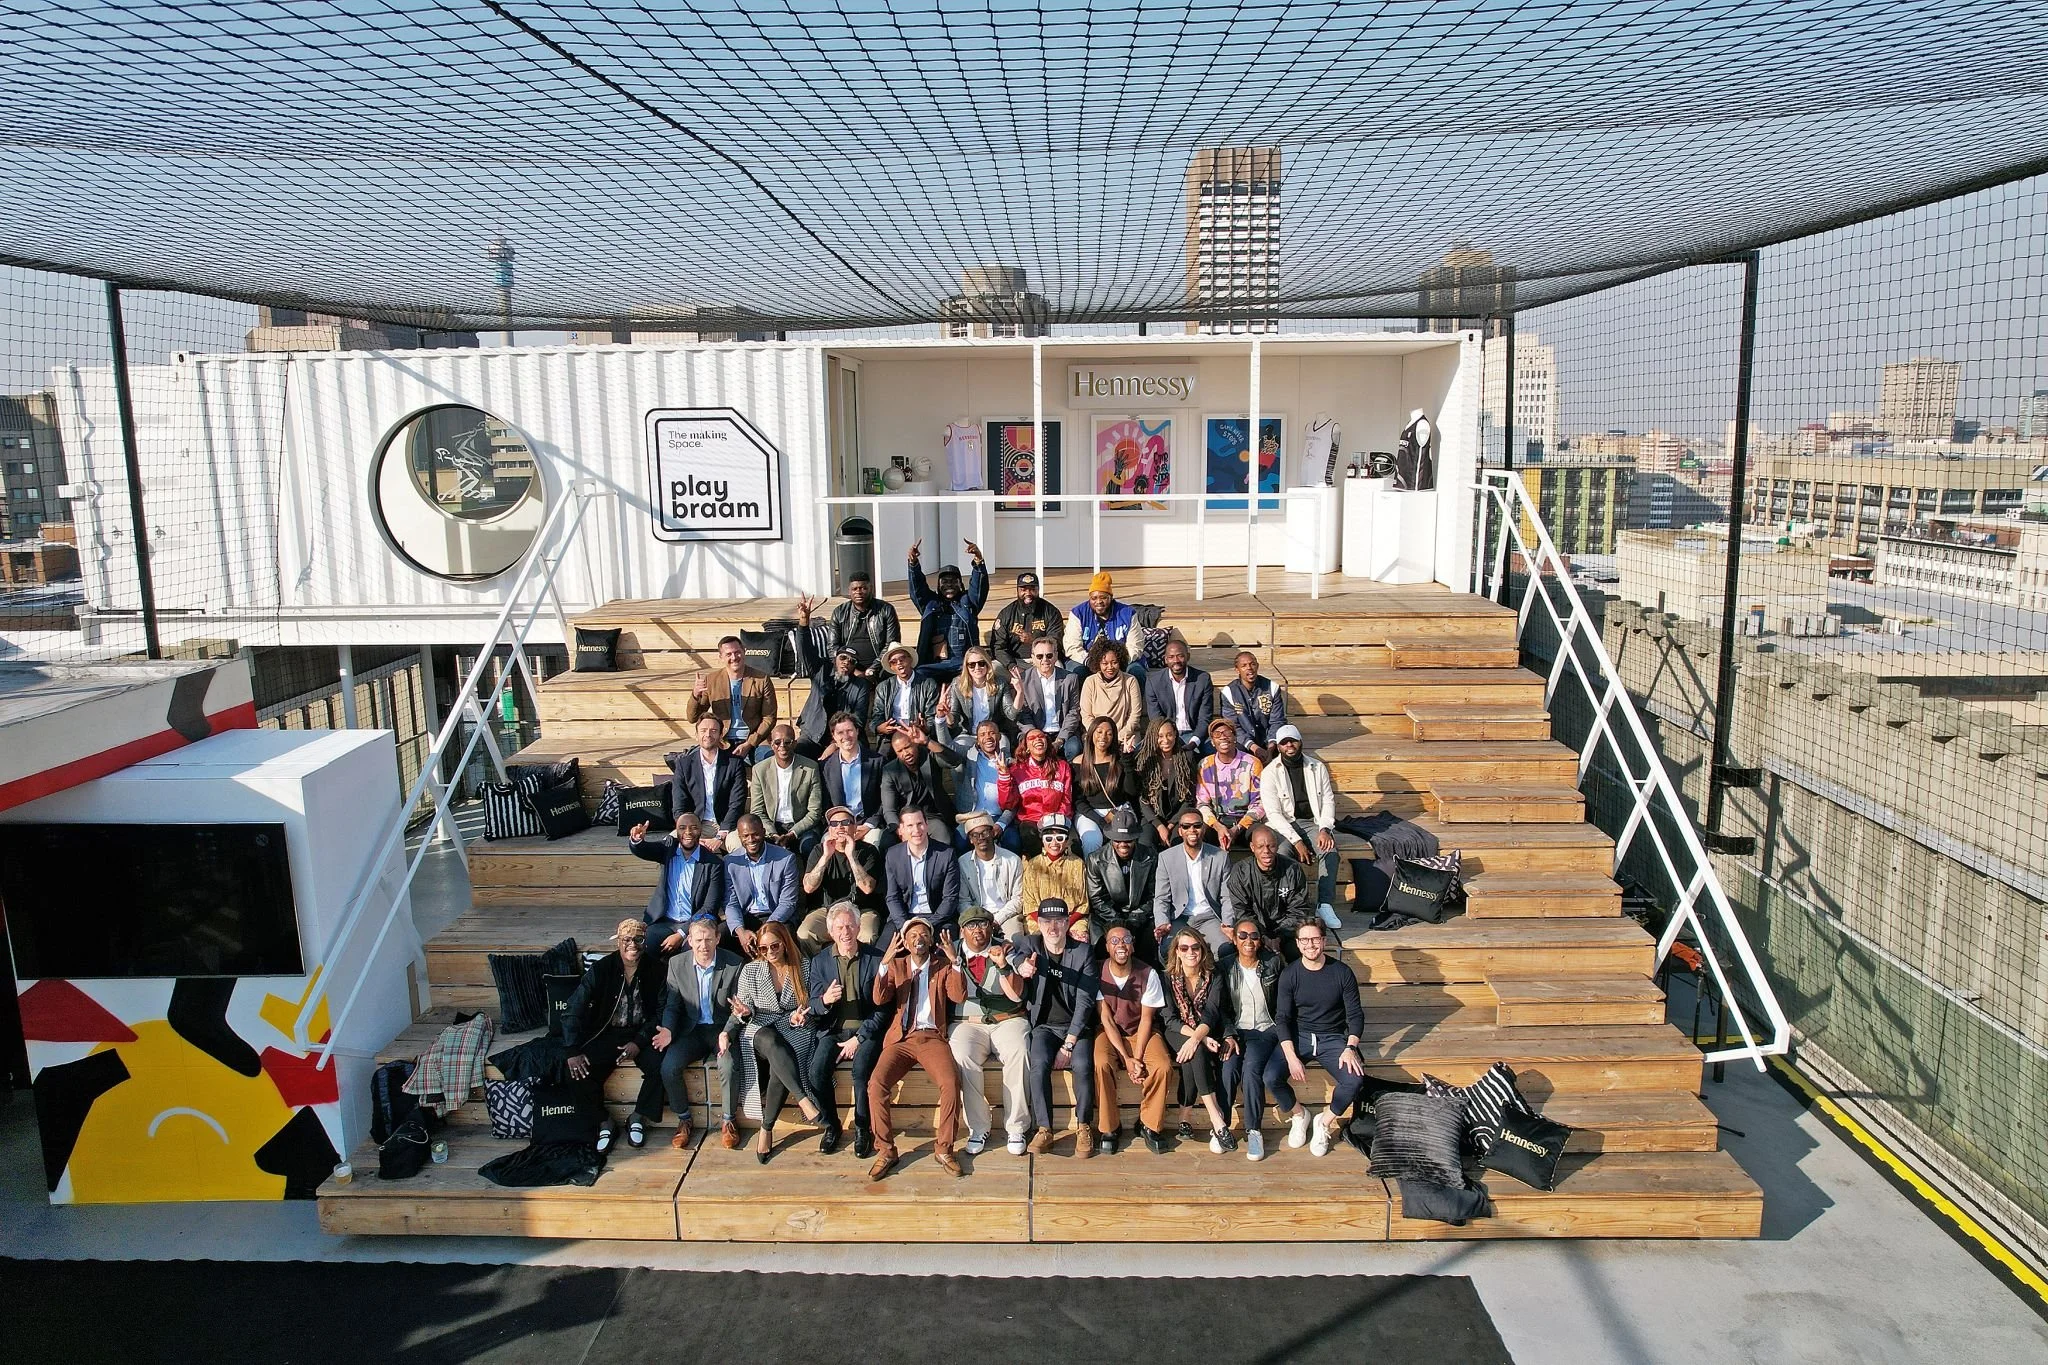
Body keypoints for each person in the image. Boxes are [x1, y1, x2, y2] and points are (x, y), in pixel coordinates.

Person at [866, 916, 969, 1180]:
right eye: (912, 936)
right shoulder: (897, 965)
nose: (918, 939)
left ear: (931, 940)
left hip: (932, 1038)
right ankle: (886, 1150)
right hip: (901, 1039)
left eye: (923, 934)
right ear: (905, 942)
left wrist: (955, 961)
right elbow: (879, 998)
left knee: (950, 1082)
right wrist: (884, 963)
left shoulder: (942, 965)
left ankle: (944, 1149)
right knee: (876, 1084)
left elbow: (958, 996)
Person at [725, 921, 834, 1161]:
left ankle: (766, 1128)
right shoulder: (751, 970)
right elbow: (744, 1008)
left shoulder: (802, 967)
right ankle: (804, 1099)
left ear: (785, 943)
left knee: (780, 1063)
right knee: (773, 1043)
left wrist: (799, 1014)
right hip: (759, 1026)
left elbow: (806, 1005)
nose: (770, 952)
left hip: (792, 1025)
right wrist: (744, 1012)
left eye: (774, 946)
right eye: (764, 949)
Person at [561, 919, 667, 1152]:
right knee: (576, 1071)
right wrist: (572, 1049)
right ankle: (604, 1121)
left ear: (645, 941)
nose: (633, 945)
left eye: (638, 939)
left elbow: (661, 1012)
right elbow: (573, 1009)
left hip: (642, 1033)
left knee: (663, 1064)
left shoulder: (657, 969)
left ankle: (638, 1118)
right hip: (606, 1033)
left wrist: (639, 1041)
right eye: (626, 940)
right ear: (618, 942)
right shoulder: (602, 969)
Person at [1010, 898, 1099, 1157]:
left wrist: (1069, 1044)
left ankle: (1083, 1127)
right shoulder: (1031, 943)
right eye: (1047, 922)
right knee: (1038, 1065)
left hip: (1076, 1027)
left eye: (1059, 921)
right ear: (1038, 924)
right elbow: (1011, 945)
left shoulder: (1083, 953)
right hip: (1045, 1026)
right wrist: (1020, 965)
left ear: (1067, 924)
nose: (1053, 928)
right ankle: (1044, 1128)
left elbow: (1084, 1003)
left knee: (1082, 1066)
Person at [1276, 920, 1368, 1157]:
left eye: (1315, 939)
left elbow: (1355, 1014)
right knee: (1269, 1075)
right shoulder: (1290, 974)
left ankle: (1323, 1122)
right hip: (1300, 1036)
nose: (1310, 944)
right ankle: (1299, 1114)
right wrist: (1291, 1056)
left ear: (1324, 941)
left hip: (1333, 1037)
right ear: (1297, 944)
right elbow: (1283, 1018)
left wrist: (1351, 1047)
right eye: (1305, 940)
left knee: (1354, 1080)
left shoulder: (1341, 973)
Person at [803, 901, 887, 1158]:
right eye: (840, 927)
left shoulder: (875, 958)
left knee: (861, 1073)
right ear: (831, 932)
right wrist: (825, 1001)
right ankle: (832, 1126)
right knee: (816, 1072)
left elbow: (884, 1008)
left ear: (859, 927)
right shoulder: (820, 962)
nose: (846, 932)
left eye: (850, 926)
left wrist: (860, 1038)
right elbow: (813, 1007)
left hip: (866, 1030)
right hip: (834, 1030)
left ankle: (863, 1128)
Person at [654, 915, 745, 1150]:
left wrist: (729, 1030)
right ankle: (684, 1119)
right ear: (690, 942)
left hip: (722, 1028)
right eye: (698, 940)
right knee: (668, 1066)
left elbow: (738, 1009)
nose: (703, 945)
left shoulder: (734, 963)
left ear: (717, 938)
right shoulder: (677, 964)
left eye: (707, 939)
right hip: (691, 1029)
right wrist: (668, 1029)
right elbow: (673, 1005)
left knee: (728, 1064)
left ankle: (728, 1121)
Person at [949, 906, 1032, 1157]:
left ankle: (1016, 1126)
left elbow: (1017, 994)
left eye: (983, 924)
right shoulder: (950, 951)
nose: (977, 930)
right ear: (962, 931)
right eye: (971, 925)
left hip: (1007, 1018)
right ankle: (979, 1126)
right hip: (968, 1021)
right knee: (962, 1053)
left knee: (1019, 1050)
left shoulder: (1007, 948)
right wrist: (952, 963)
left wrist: (1005, 965)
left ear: (992, 927)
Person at [1204, 918, 1289, 1161]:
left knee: (1251, 1069)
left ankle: (1254, 1129)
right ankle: (1222, 1126)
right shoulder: (1225, 966)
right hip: (1236, 1030)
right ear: (1234, 939)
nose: (1248, 941)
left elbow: (1281, 1006)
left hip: (1264, 1029)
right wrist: (1229, 1033)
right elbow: (1219, 1008)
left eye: (1253, 936)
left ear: (1260, 940)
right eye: (1242, 936)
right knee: (1228, 1067)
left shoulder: (1273, 963)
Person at [1093, 924, 1174, 1154]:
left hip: (1141, 1030)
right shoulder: (1097, 972)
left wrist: (1136, 1059)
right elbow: (1106, 1020)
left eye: (1126, 939)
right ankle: (1110, 1128)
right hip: (1110, 1033)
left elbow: (1147, 1019)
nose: (1121, 945)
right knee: (1100, 1063)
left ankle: (1149, 1125)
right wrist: (1126, 1059)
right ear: (1107, 947)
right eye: (1115, 941)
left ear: (1133, 945)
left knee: (1162, 1066)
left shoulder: (1148, 973)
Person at [1156, 925, 1235, 1152]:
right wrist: (1199, 1039)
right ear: (1177, 952)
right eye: (1185, 948)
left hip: (1205, 1029)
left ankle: (1185, 1116)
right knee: (1196, 1050)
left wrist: (1198, 1038)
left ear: (1202, 950)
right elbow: (1169, 1019)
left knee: (1192, 1055)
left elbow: (1211, 1012)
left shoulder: (1214, 975)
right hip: (1177, 1031)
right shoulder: (1167, 979)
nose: (1191, 952)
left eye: (1196, 947)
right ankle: (1216, 1117)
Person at [1260, 724, 1343, 930]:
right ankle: (1288, 905)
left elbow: (1329, 801)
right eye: (1284, 742)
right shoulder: (1270, 772)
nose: (1289, 745)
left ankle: (1324, 904)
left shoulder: (1317, 767)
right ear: (1278, 747)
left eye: (1293, 741)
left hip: (1312, 822)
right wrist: (1297, 841)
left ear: (1300, 742)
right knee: (1282, 854)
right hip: (1283, 826)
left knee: (1330, 850)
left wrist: (1325, 829)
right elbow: (1273, 814)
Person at [630, 810, 728, 955]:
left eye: (693, 827)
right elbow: (643, 850)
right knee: (644, 947)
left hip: (695, 924)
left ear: (701, 830)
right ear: (676, 830)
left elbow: (709, 907)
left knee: (694, 952)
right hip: (664, 921)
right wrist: (637, 840)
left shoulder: (713, 864)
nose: (688, 832)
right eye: (682, 827)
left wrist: (681, 933)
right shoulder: (668, 849)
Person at [795, 807, 884, 952]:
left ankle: (860, 971)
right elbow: (808, 887)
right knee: (805, 933)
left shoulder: (868, 851)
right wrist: (825, 858)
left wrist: (851, 856)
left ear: (855, 827)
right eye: (834, 824)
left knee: (867, 935)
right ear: (829, 829)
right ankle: (821, 970)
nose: (840, 827)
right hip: (828, 910)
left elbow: (867, 888)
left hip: (861, 910)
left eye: (845, 822)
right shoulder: (819, 851)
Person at [794, 595, 874, 756]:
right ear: (835, 659)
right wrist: (804, 622)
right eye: (843, 658)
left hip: (843, 735)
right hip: (813, 732)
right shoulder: (821, 670)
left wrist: (835, 744)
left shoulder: (860, 687)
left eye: (852, 661)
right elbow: (805, 650)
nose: (847, 662)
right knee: (798, 756)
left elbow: (858, 719)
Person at [906, 537, 989, 683]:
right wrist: (913, 564)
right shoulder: (930, 604)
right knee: (918, 675)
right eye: (944, 582)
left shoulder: (968, 602)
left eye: (953, 581)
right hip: (934, 664)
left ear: (960, 584)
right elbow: (917, 589)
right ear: (938, 585)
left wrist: (978, 561)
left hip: (963, 664)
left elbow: (979, 587)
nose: (948, 585)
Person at [684, 635, 777, 759]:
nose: (734, 657)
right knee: (692, 760)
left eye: (737, 652)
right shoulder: (711, 680)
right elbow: (693, 718)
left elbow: (769, 718)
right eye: (729, 654)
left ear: (744, 652)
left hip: (755, 740)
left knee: (770, 760)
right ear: (721, 657)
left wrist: (750, 743)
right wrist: (695, 695)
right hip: (722, 741)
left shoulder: (761, 679)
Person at [1085, 808, 1158, 965]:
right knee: (1101, 945)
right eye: (1117, 840)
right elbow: (1097, 899)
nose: (1123, 844)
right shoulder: (1095, 859)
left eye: (1128, 840)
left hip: (1140, 916)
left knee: (1149, 945)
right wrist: (1119, 924)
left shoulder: (1150, 856)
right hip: (1107, 917)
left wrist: (1135, 919)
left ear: (1136, 838)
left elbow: (1153, 895)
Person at [1153, 805, 1232, 952]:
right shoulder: (1166, 858)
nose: (1192, 830)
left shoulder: (1220, 857)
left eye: (1197, 825)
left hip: (1209, 917)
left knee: (1225, 948)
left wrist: (1228, 924)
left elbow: (1226, 896)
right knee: (1167, 949)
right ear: (1180, 831)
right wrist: (1162, 923)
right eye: (1186, 826)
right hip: (1180, 918)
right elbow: (1161, 898)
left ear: (1204, 828)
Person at [1226, 824, 1316, 952]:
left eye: (1271, 846)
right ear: (1252, 847)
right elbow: (1242, 912)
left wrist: (1280, 936)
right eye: (1260, 847)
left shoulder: (1292, 869)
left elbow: (1299, 909)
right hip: (1254, 933)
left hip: (1287, 931)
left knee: (1299, 950)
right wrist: (1262, 937)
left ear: (1277, 846)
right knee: (1230, 950)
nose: (1266, 851)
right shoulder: (1240, 872)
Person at [671, 714, 750, 853]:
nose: (708, 734)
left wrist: (720, 835)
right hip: (695, 825)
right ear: (696, 735)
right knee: (669, 846)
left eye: (713, 731)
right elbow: (679, 804)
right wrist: (690, 833)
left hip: (727, 826)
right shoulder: (684, 764)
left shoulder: (734, 763)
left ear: (720, 735)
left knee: (741, 848)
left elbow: (736, 803)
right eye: (703, 730)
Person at [722, 814, 800, 956]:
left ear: (764, 832)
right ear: (739, 837)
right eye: (745, 836)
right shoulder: (730, 862)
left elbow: (788, 902)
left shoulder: (785, 859)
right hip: (747, 916)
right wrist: (740, 931)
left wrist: (765, 930)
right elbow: (730, 902)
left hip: (777, 916)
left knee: (786, 938)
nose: (751, 840)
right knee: (718, 937)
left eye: (755, 834)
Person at [878, 724, 963, 848]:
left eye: (907, 747)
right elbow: (889, 809)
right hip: (905, 819)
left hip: (932, 816)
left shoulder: (929, 756)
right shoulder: (890, 771)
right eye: (900, 751)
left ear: (915, 743)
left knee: (944, 839)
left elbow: (955, 761)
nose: (905, 753)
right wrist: (900, 831)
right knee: (886, 843)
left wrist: (927, 741)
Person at [882, 807, 961, 939]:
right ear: (901, 829)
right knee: (882, 952)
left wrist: (927, 925)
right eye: (910, 826)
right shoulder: (892, 855)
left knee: (945, 953)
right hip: (904, 917)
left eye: (920, 824)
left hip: (937, 918)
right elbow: (892, 897)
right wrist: (905, 925)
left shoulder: (946, 854)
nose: (916, 830)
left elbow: (950, 898)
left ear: (926, 824)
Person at [748, 723, 825, 858]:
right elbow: (757, 810)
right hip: (771, 827)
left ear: (794, 744)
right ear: (772, 745)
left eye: (787, 742)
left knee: (810, 846)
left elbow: (814, 812)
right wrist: (773, 834)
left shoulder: (810, 768)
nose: (782, 746)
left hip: (802, 826)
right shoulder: (760, 770)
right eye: (777, 742)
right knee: (757, 847)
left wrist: (792, 833)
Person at [1073, 716, 1142, 854]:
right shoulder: (1078, 762)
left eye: (1109, 733)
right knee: (1091, 839)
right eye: (1099, 732)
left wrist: (1127, 760)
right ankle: (1094, 874)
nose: (1103, 737)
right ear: (1091, 733)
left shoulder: (1119, 760)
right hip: (1090, 813)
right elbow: (1078, 801)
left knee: (1123, 837)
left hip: (1119, 809)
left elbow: (1132, 792)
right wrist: (1100, 821)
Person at [1002, 726, 1076, 856]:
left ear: (1047, 742)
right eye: (1032, 738)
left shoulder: (1062, 766)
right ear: (1026, 747)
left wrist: (1055, 821)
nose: (1038, 740)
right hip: (1030, 820)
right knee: (1029, 834)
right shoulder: (1017, 770)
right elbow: (1008, 804)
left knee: (1071, 844)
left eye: (1041, 737)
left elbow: (1066, 800)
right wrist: (1004, 777)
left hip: (1057, 818)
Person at [1197, 715, 1263, 851]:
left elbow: (1259, 803)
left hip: (1246, 822)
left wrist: (1237, 829)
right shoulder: (1205, 764)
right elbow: (1202, 803)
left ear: (1235, 738)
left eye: (1227, 733)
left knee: (1261, 836)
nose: (1222, 737)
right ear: (1212, 742)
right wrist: (1218, 826)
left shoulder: (1252, 763)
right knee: (1197, 834)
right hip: (1217, 821)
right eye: (1217, 734)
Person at [1008, 638, 1082, 759]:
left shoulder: (1070, 679)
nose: (1045, 660)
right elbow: (1022, 715)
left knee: (1074, 748)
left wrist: (1060, 740)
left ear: (1056, 655)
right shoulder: (1023, 680)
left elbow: (1073, 712)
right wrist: (1036, 736)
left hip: (1062, 731)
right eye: (1039, 656)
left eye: (1049, 655)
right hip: (1035, 730)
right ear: (1032, 657)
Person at [945, 718, 1015, 847]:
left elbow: (1014, 802)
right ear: (977, 740)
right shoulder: (969, 758)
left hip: (998, 816)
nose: (988, 737)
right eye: (982, 734)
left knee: (1013, 842)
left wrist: (1000, 824)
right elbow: (947, 747)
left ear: (999, 737)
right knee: (960, 841)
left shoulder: (1010, 764)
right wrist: (939, 720)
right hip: (972, 816)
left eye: (992, 733)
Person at [820, 712, 885, 847]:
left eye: (849, 731)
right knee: (826, 846)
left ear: (857, 731)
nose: (846, 737)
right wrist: (838, 827)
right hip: (838, 826)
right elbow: (825, 804)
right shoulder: (825, 767)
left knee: (875, 843)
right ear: (834, 736)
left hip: (868, 823)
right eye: (840, 733)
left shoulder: (877, 761)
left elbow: (885, 799)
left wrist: (868, 825)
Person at [958, 809, 1025, 940]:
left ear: (992, 833)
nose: (981, 838)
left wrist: (997, 920)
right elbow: (963, 901)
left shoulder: (1012, 860)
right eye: (975, 835)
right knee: (966, 945)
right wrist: (979, 918)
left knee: (1015, 942)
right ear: (971, 840)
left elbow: (1018, 899)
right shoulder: (963, 863)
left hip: (1006, 915)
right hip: (975, 916)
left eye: (985, 832)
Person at [1020, 812, 1089, 938]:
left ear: (1067, 840)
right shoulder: (1032, 865)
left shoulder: (1078, 864)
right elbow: (1030, 904)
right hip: (1040, 921)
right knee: (1036, 943)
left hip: (1071, 920)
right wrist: (1048, 925)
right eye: (1049, 838)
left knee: (1080, 941)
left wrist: (1066, 924)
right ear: (1042, 840)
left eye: (1060, 838)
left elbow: (1083, 904)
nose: (1054, 843)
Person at [934, 646, 1013, 756]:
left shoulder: (999, 683)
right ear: (966, 667)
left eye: (981, 663)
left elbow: (1012, 715)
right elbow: (953, 722)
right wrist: (946, 714)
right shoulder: (958, 684)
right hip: (968, 734)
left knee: (1004, 750)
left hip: (994, 734)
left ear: (987, 664)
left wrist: (1020, 694)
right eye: (972, 665)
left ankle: (1003, 774)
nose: (977, 667)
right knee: (955, 755)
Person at [1137, 718, 1200, 848]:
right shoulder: (1145, 760)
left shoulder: (1187, 757)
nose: (1165, 740)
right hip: (1152, 818)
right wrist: (1159, 826)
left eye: (1169, 735)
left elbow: (1189, 798)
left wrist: (1171, 824)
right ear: (1152, 737)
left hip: (1178, 816)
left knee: (1178, 843)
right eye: (1160, 736)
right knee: (1145, 843)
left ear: (1176, 735)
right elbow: (1142, 799)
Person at [1143, 637, 1214, 750]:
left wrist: (1194, 742)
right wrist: (1168, 738)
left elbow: (1204, 717)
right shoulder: (1154, 681)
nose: (1176, 660)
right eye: (1171, 657)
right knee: (1138, 754)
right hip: (1166, 734)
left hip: (1194, 733)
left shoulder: (1202, 679)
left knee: (1213, 752)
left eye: (1180, 656)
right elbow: (1155, 717)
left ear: (1188, 657)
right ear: (1165, 660)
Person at [987, 569, 1063, 675]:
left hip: (1042, 660)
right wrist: (1012, 666)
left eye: (1032, 589)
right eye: (1023, 589)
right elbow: (998, 647)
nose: (1028, 593)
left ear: (1038, 589)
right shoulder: (1006, 613)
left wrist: (1034, 641)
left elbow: (1056, 643)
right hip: (1013, 662)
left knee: (1058, 666)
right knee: (993, 669)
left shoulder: (1051, 612)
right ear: (1017, 590)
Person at [828, 570, 901, 680]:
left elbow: (892, 644)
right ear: (849, 591)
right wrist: (853, 669)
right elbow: (832, 647)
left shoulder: (886, 610)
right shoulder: (839, 612)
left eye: (863, 588)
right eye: (854, 589)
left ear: (871, 588)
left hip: (879, 667)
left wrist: (872, 669)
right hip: (848, 665)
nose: (859, 592)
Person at [1063, 571, 1140, 674]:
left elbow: (1135, 646)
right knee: (1077, 672)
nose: (1098, 602)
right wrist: (1091, 662)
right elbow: (1072, 646)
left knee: (1136, 671)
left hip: (1121, 661)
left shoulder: (1128, 613)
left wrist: (1116, 663)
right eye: (1094, 598)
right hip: (1086, 660)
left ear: (1111, 597)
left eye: (1103, 597)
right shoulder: (1078, 613)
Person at [1219, 649, 1288, 763]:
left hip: (1269, 741)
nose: (1249, 668)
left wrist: (1270, 748)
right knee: (1234, 749)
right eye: (1244, 666)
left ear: (1257, 666)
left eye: (1253, 664)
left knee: (1287, 745)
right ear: (1237, 670)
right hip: (1244, 742)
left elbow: (1277, 721)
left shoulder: (1272, 688)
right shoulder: (1229, 692)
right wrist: (1254, 748)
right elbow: (1233, 726)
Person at [1079, 639, 1145, 757]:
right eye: (1105, 663)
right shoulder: (1090, 682)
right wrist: (1101, 736)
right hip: (1097, 736)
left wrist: (1117, 738)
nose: (1110, 667)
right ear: (1098, 663)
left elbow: (1134, 715)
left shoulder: (1130, 681)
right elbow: (1086, 715)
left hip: (1126, 735)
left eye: (1114, 662)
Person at [869, 643, 940, 748]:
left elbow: (932, 717)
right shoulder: (883, 687)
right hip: (892, 733)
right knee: (882, 759)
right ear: (891, 667)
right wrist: (880, 728)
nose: (899, 664)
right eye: (893, 662)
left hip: (918, 732)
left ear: (910, 659)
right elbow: (876, 717)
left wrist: (925, 727)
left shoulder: (928, 684)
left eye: (902, 659)